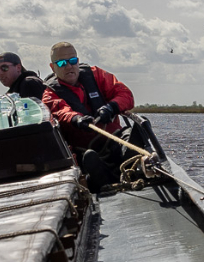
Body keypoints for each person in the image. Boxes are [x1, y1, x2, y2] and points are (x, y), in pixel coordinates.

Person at [40, 41, 136, 193]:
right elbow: (61, 111)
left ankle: (131, 164)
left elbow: (125, 94)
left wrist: (111, 107)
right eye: (62, 63)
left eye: (72, 61)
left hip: (114, 139)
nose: (69, 66)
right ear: (53, 67)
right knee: (89, 158)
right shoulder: (50, 93)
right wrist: (77, 119)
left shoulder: (96, 75)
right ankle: (101, 182)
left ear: (77, 61)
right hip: (86, 150)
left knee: (133, 132)